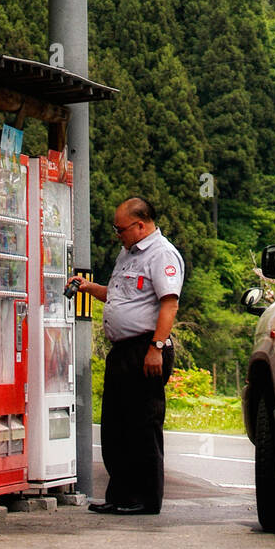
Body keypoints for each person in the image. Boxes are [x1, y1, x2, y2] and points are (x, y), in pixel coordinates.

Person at [69, 196, 184, 515]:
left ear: (141, 225)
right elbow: (122, 296)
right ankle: (120, 494)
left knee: (142, 425)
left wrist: (156, 348)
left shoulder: (162, 255)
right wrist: (88, 288)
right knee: (116, 425)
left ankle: (144, 498)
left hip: (146, 348)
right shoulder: (127, 254)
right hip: (122, 350)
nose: (117, 234)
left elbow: (169, 303)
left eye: (121, 229)